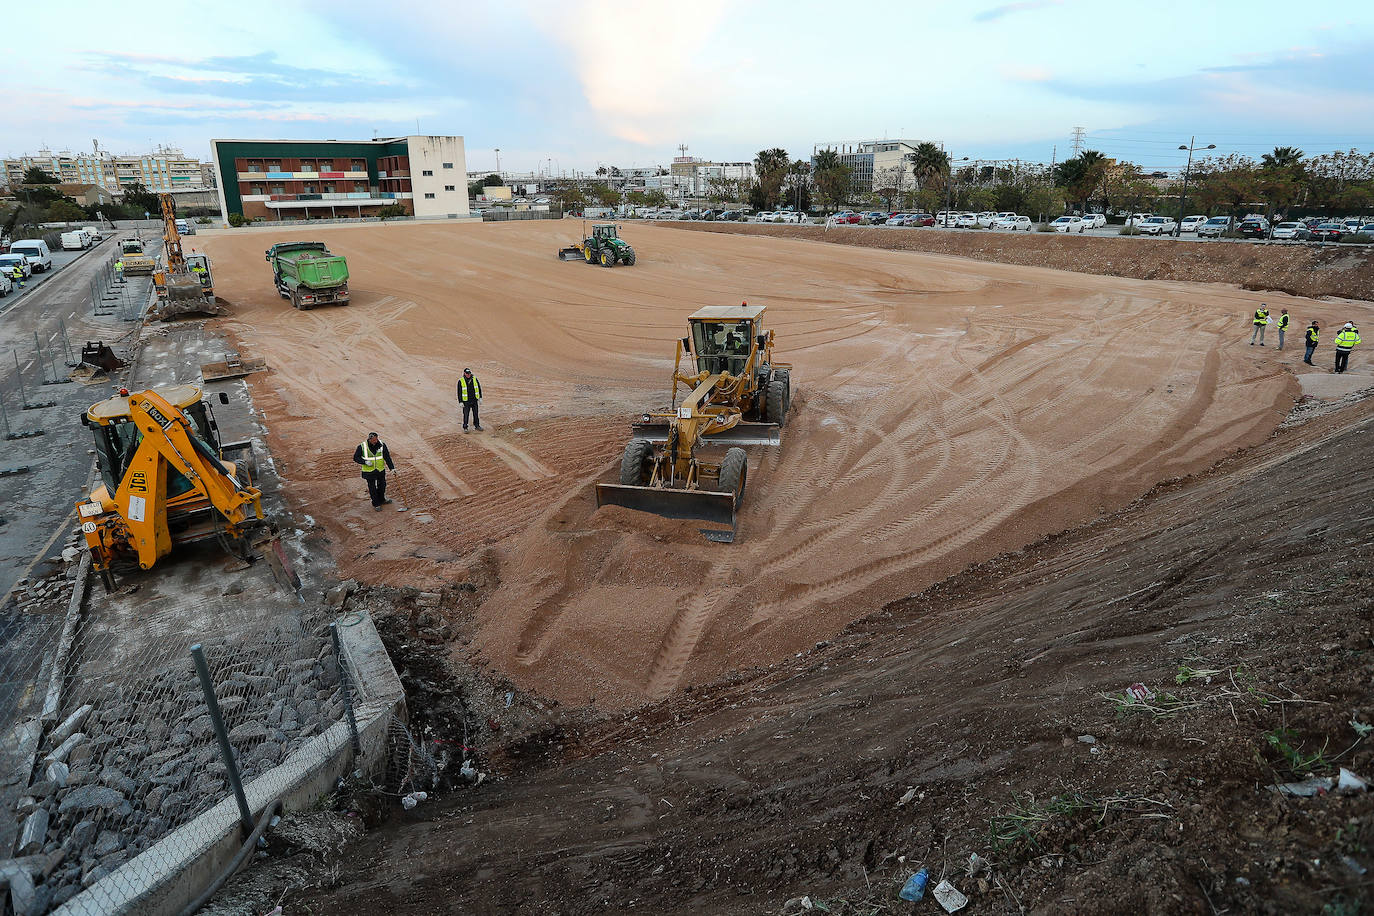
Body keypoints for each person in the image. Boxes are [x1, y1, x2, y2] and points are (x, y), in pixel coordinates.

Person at [352, 432, 395, 511]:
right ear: (370, 439)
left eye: (376, 439)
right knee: (372, 488)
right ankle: (376, 503)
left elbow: (387, 457)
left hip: (380, 470)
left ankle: (382, 499)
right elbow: (356, 458)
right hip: (369, 472)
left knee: (382, 485)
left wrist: (392, 468)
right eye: (374, 440)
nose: (376, 441)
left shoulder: (382, 445)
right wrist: (364, 461)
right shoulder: (362, 446)